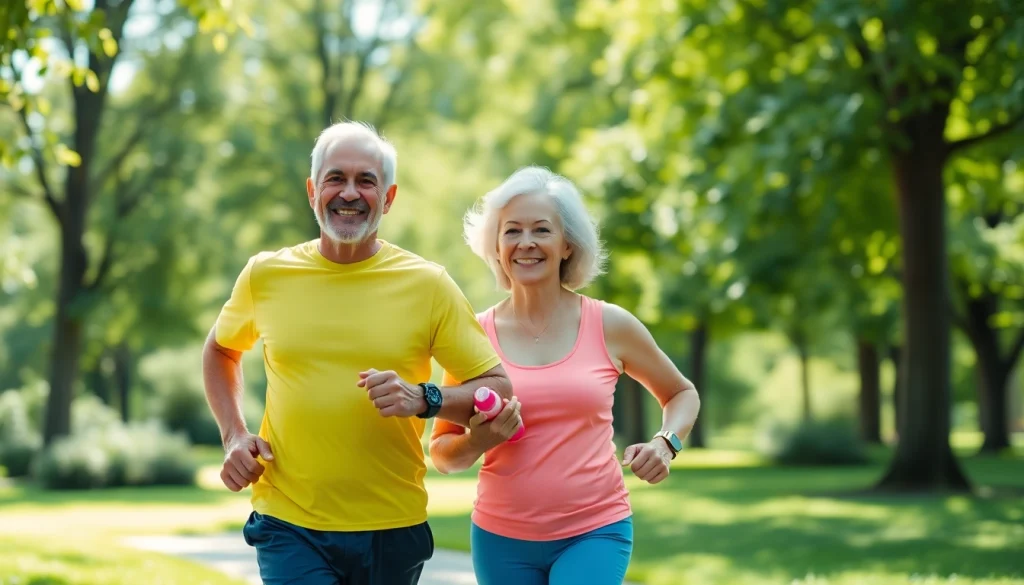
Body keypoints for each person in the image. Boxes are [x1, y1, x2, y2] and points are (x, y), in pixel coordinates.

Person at [201, 121, 517, 585]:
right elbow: (220, 350)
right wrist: (233, 435)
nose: (349, 192)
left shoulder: (428, 285)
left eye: (366, 181)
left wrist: (425, 398)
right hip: (289, 521)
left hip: (392, 525)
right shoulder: (265, 275)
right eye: (336, 178)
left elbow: (499, 388)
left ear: (387, 198)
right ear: (313, 190)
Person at [429, 166, 701, 585]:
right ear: (496, 246)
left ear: (567, 245)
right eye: (512, 231)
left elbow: (681, 393)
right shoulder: (474, 336)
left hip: (595, 530)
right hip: (500, 538)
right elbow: (444, 454)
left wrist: (666, 444)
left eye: (541, 230)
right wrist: (479, 440)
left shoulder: (611, 324)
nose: (526, 243)